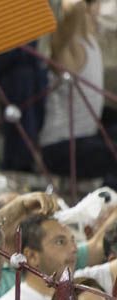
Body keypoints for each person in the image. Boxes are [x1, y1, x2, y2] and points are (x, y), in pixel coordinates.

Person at [40, 0, 117, 187]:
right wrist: (79, 6)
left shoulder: (93, 42)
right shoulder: (70, 50)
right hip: (61, 149)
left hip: (86, 140)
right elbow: (74, 9)